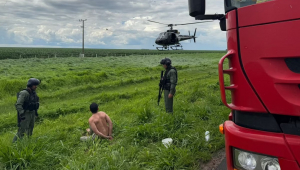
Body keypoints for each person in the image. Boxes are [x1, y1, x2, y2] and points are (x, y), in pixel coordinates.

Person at [13, 78, 40, 142]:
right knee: (22, 130)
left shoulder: (33, 93)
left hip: (32, 113)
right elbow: (18, 104)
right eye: (34, 85)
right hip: (26, 114)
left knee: (30, 129)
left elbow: (35, 103)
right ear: (30, 85)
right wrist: (22, 114)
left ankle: (28, 142)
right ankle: (14, 144)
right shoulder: (24, 93)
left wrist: (36, 113)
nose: (36, 86)